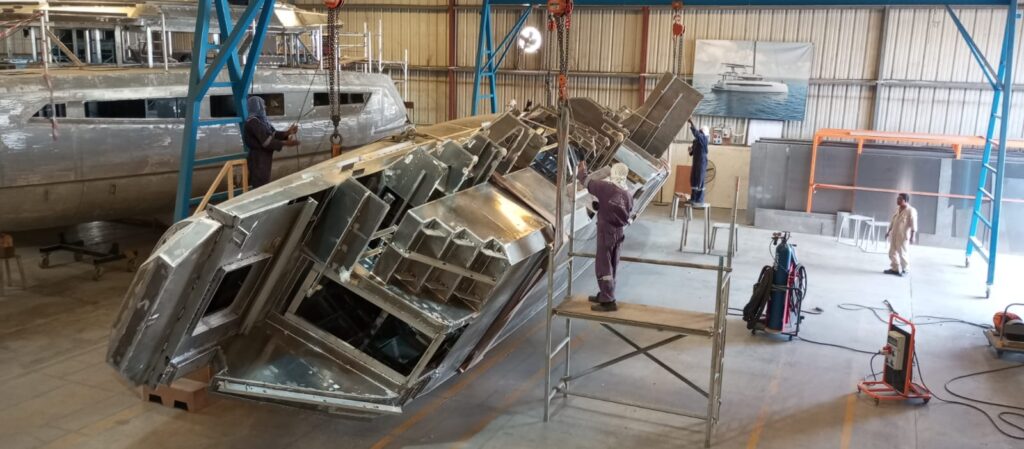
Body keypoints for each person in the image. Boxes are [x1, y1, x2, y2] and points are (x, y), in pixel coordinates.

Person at [577, 161, 634, 312]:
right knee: (612, 263)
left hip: (606, 232)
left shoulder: (606, 187)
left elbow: (585, 181)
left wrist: (582, 169)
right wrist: (603, 206)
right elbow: (624, 211)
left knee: (604, 265)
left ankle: (608, 301)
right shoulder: (628, 194)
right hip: (618, 232)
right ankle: (605, 294)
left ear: (613, 173)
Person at [243, 96, 298, 188]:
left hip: (264, 158)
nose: (265, 107)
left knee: (264, 183)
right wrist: (285, 143)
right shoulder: (253, 122)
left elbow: (273, 134)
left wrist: (288, 132)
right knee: (260, 186)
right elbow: (266, 142)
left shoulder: (262, 121)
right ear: (257, 106)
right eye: (262, 105)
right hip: (258, 159)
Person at [885, 193, 918, 277]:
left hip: (903, 236)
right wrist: (888, 231)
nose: (897, 200)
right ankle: (894, 269)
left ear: (905, 200)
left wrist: (913, 236)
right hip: (894, 234)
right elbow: (893, 220)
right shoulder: (898, 209)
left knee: (903, 253)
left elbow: (913, 223)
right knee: (892, 252)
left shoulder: (911, 210)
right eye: (897, 199)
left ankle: (905, 270)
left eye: (899, 199)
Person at [687, 119, 710, 205]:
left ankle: (699, 199)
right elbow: (692, 153)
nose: (700, 133)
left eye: (701, 131)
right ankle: (693, 198)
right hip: (696, 162)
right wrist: (690, 151)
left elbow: (696, 133)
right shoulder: (696, 141)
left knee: (700, 180)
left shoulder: (704, 139)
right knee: (693, 179)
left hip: (702, 162)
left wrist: (691, 123)